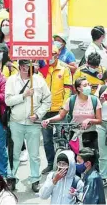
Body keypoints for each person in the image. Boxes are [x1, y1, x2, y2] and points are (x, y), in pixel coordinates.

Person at [5, 59, 51, 192]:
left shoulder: (39, 80)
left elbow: (47, 100)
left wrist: (38, 115)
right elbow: (7, 101)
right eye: (24, 67)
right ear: (19, 67)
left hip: (33, 123)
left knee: (34, 154)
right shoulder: (11, 81)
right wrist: (23, 96)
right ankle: (11, 178)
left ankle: (35, 179)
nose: (27, 69)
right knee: (14, 153)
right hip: (16, 122)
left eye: (29, 67)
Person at [42, 77, 102, 152]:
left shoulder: (95, 100)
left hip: (90, 135)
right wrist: (49, 120)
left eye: (88, 85)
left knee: (90, 160)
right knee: (74, 159)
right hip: (75, 134)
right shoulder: (71, 100)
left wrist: (89, 120)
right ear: (79, 89)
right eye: (85, 85)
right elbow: (61, 116)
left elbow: (99, 120)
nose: (88, 87)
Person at [41, 45, 72, 174]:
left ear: (57, 54)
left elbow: (68, 89)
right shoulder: (42, 69)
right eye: (48, 54)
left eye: (53, 54)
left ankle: (64, 164)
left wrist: (64, 108)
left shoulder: (64, 68)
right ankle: (50, 163)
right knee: (47, 140)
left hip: (60, 110)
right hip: (45, 110)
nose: (50, 57)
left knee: (62, 138)